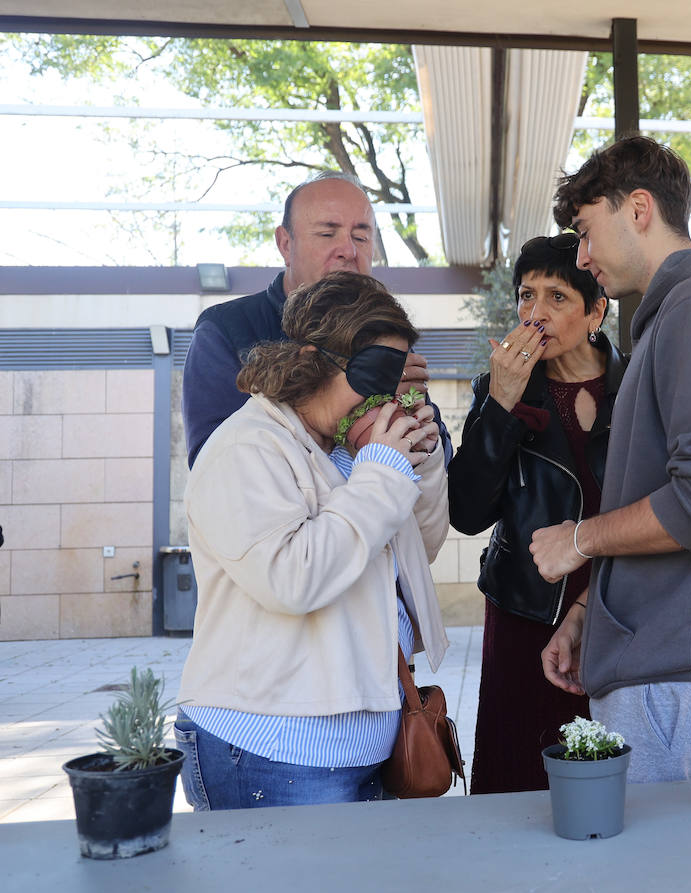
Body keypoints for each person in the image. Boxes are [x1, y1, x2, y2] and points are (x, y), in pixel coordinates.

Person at [531, 135, 691, 784]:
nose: (582, 256)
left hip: (684, 687)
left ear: (639, 209)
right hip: (676, 674)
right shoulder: (679, 311)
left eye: (586, 231)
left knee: (680, 856)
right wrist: (590, 610)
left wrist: (579, 540)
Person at [173, 272, 449, 810]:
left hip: (362, 743)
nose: (384, 393)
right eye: (374, 372)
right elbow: (292, 579)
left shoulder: (350, 450)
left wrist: (424, 458)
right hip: (272, 748)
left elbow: (420, 553)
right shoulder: (245, 448)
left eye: (397, 374)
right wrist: (382, 473)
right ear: (311, 359)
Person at [447, 234, 625, 794]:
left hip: (620, 603)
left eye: (557, 297)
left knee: (611, 773)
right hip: (525, 611)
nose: (535, 313)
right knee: (520, 775)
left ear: (596, 311)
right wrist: (501, 403)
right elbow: (467, 512)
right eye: (527, 295)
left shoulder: (636, 386)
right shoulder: (500, 387)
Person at [182, 170, 444, 469]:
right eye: (327, 234)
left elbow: (435, 460)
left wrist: (418, 430)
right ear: (285, 244)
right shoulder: (226, 329)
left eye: (361, 236)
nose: (349, 251)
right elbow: (215, 464)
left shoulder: (384, 334)